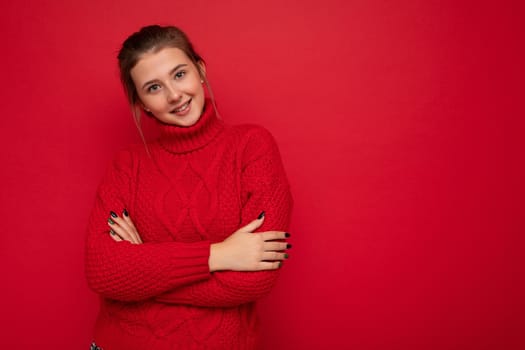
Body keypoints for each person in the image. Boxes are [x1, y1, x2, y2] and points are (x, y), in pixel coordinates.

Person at [85, 25, 293, 349]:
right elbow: (102, 269)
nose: (174, 95)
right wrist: (219, 254)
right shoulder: (126, 165)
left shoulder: (252, 147)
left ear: (200, 70)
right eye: (153, 87)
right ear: (141, 103)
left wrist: (142, 268)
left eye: (179, 74)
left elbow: (255, 279)